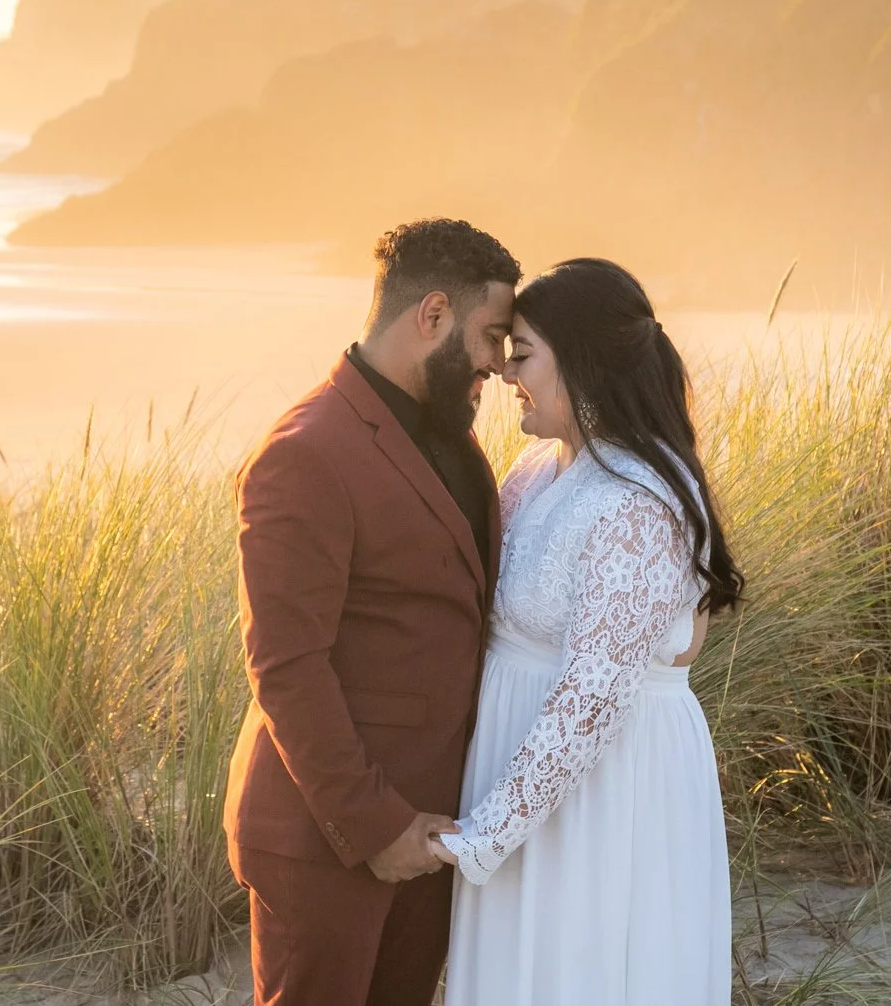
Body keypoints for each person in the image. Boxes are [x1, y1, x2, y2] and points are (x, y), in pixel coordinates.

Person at [223, 217, 521, 1006]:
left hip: (429, 838)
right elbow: (286, 669)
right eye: (491, 335)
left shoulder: (454, 440)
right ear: (432, 316)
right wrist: (376, 826)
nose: (499, 360)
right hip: (330, 843)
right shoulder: (305, 452)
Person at [433, 257, 742, 1005]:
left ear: (583, 363)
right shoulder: (537, 468)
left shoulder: (639, 499)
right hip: (523, 782)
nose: (508, 370)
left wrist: (485, 836)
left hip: (601, 794)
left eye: (525, 352)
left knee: (583, 970)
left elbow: (593, 693)